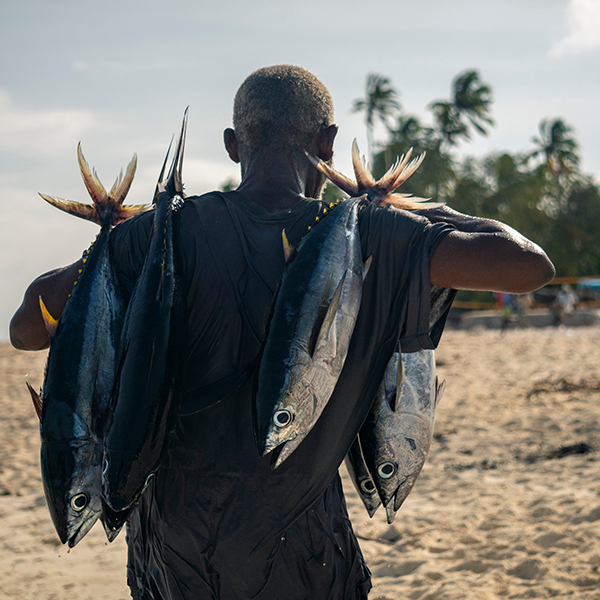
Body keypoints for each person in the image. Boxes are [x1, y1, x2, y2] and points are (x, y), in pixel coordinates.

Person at [10, 65, 555, 600]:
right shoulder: (375, 235)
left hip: (170, 564)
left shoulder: (161, 233)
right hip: (306, 560)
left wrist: (109, 248)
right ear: (329, 141)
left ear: (231, 144)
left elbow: (26, 329)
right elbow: (528, 267)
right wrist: (418, 212)